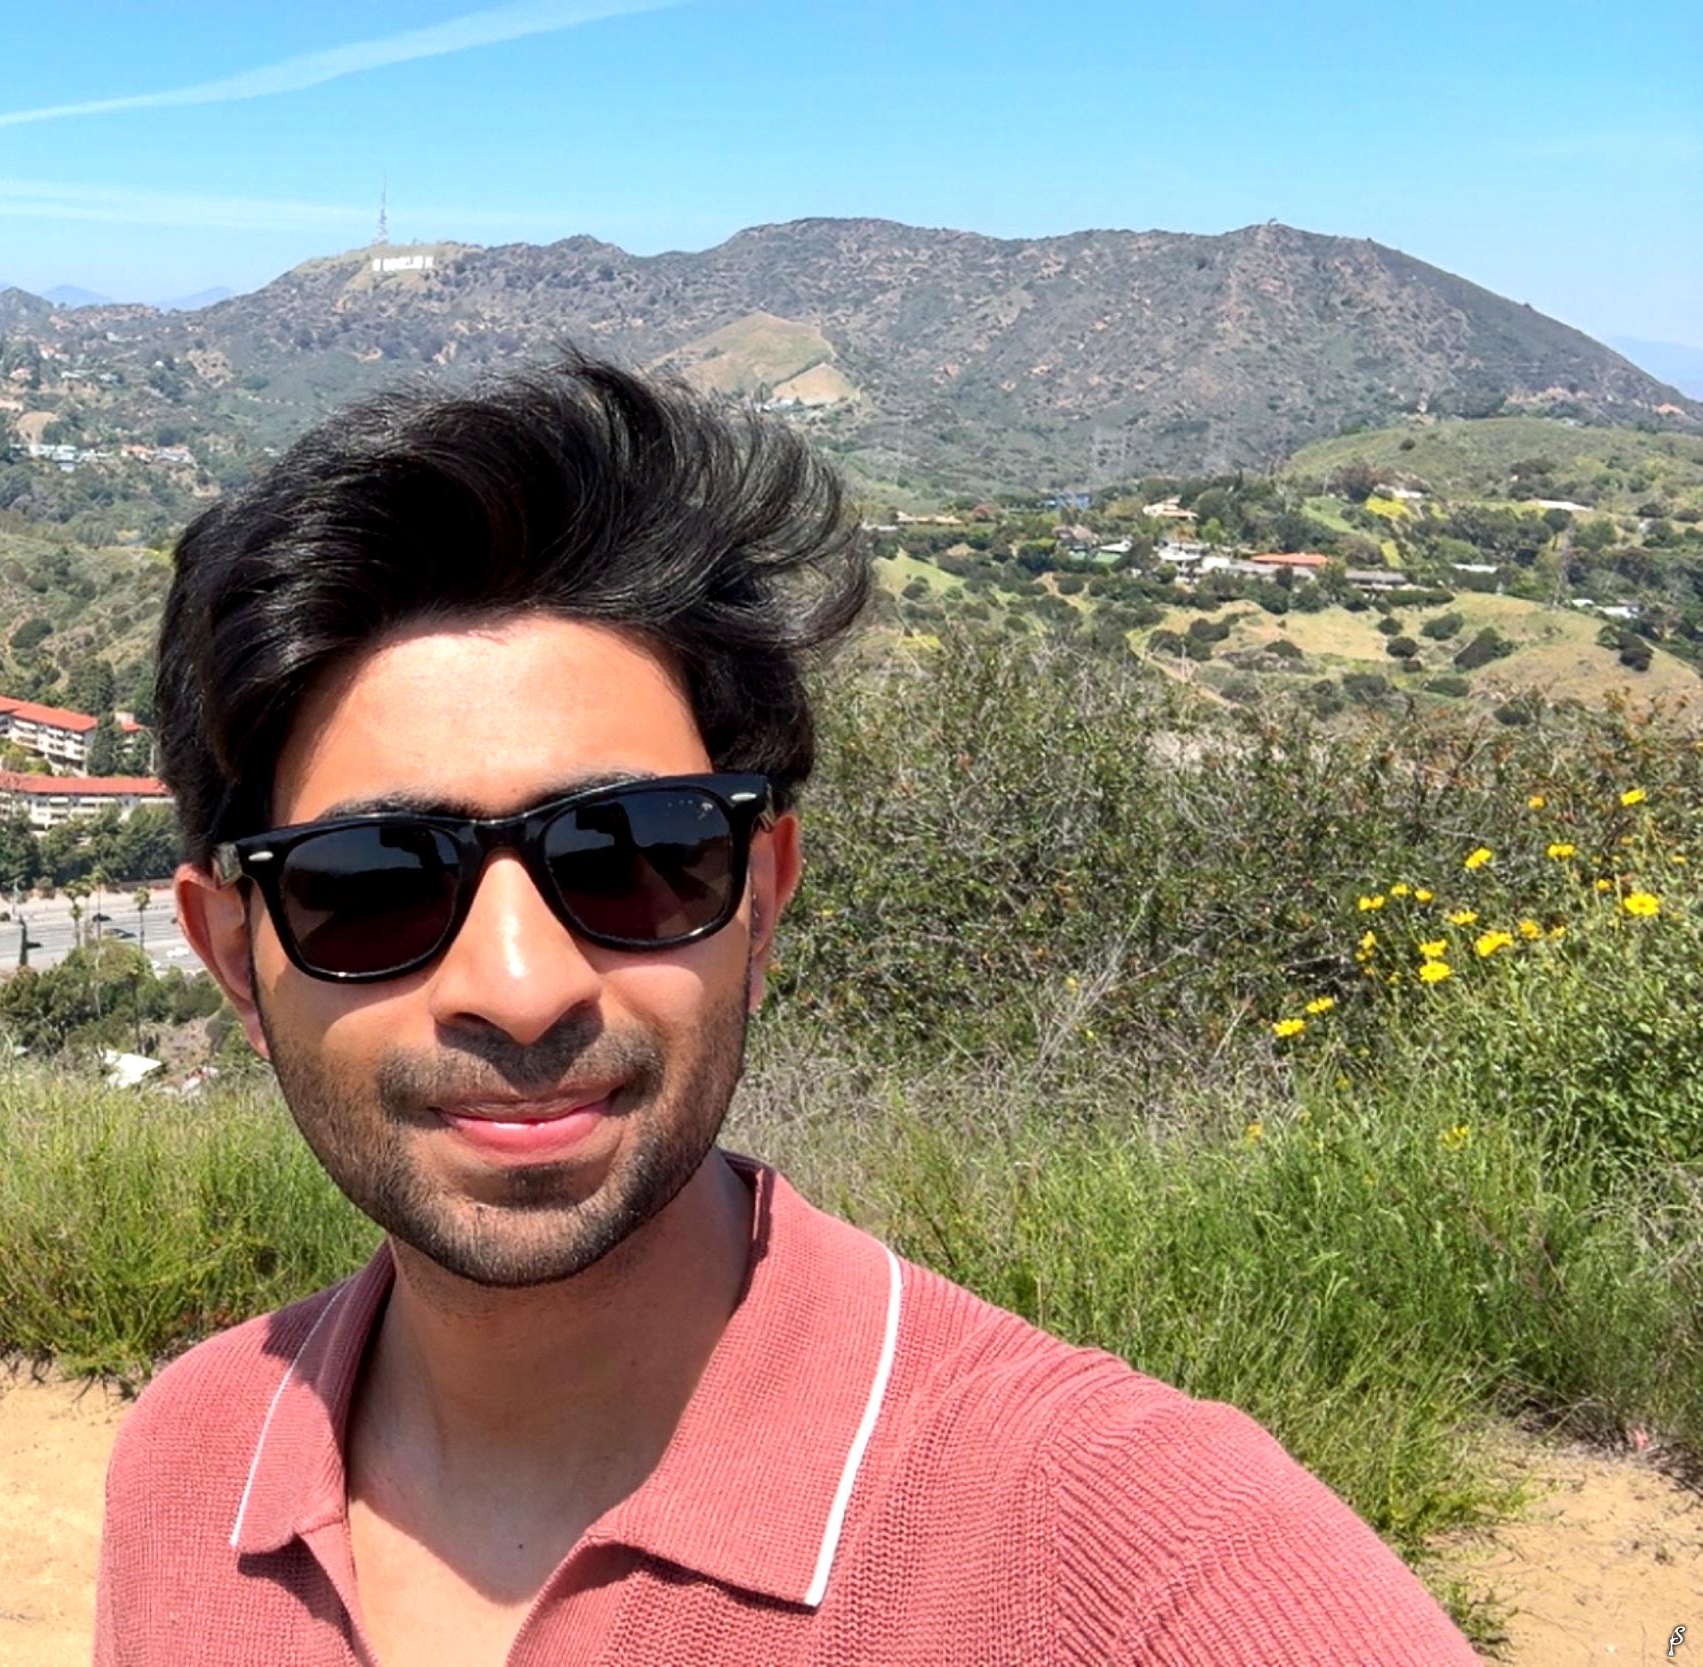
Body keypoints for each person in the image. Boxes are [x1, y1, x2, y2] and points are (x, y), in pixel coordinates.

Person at [97, 355, 1476, 1665]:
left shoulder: (1147, 1561)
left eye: (631, 856)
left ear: (759, 898)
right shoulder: (190, 1466)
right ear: (233, 955)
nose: (520, 989)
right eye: (371, 885)